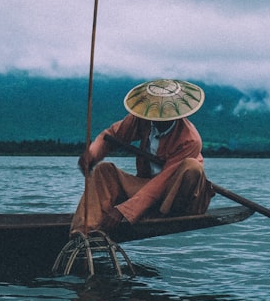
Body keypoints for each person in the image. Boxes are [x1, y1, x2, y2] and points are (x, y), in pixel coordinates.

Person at [72, 79, 214, 235]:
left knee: (192, 167)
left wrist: (124, 211)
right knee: (104, 171)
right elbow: (111, 135)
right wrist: (92, 154)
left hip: (178, 197)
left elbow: (162, 182)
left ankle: (152, 211)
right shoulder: (142, 120)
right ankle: (83, 231)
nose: (160, 118)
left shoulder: (191, 140)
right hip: (148, 189)